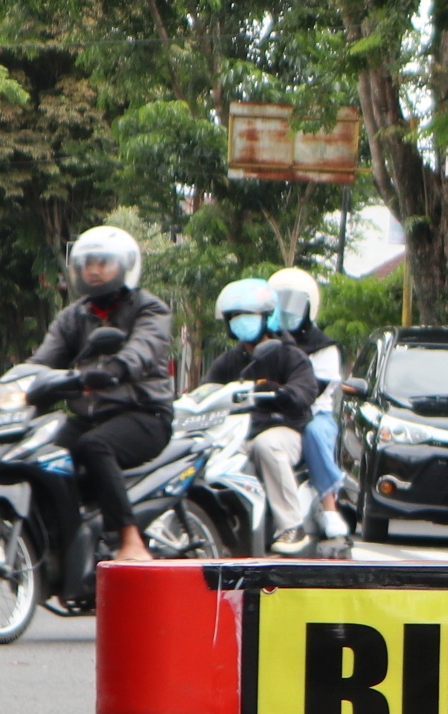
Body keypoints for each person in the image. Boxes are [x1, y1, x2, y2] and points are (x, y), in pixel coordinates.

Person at [24, 224, 176, 567]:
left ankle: (130, 539)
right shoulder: (72, 317)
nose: (94, 270)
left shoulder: (150, 309)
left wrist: (114, 370)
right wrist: (1, 391)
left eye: (103, 263)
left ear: (123, 266)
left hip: (143, 414)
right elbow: (41, 363)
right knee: (38, 453)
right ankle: (58, 541)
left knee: (94, 446)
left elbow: (142, 349)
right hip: (90, 417)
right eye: (88, 263)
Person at [203, 276, 319, 552]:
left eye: (247, 316)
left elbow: (305, 393)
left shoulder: (290, 355)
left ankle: (292, 526)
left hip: (284, 431)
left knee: (267, 445)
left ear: (268, 317)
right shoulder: (230, 361)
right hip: (240, 432)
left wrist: (277, 391)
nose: (240, 322)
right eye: (234, 317)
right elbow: (207, 391)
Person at [266, 267, 349, 543]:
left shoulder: (325, 347)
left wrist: (282, 391)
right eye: (279, 303)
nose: (287, 312)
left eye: (294, 303)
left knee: (313, 432)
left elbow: (314, 390)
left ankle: (329, 506)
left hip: (314, 414)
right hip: (272, 413)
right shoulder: (265, 342)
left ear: (309, 307)